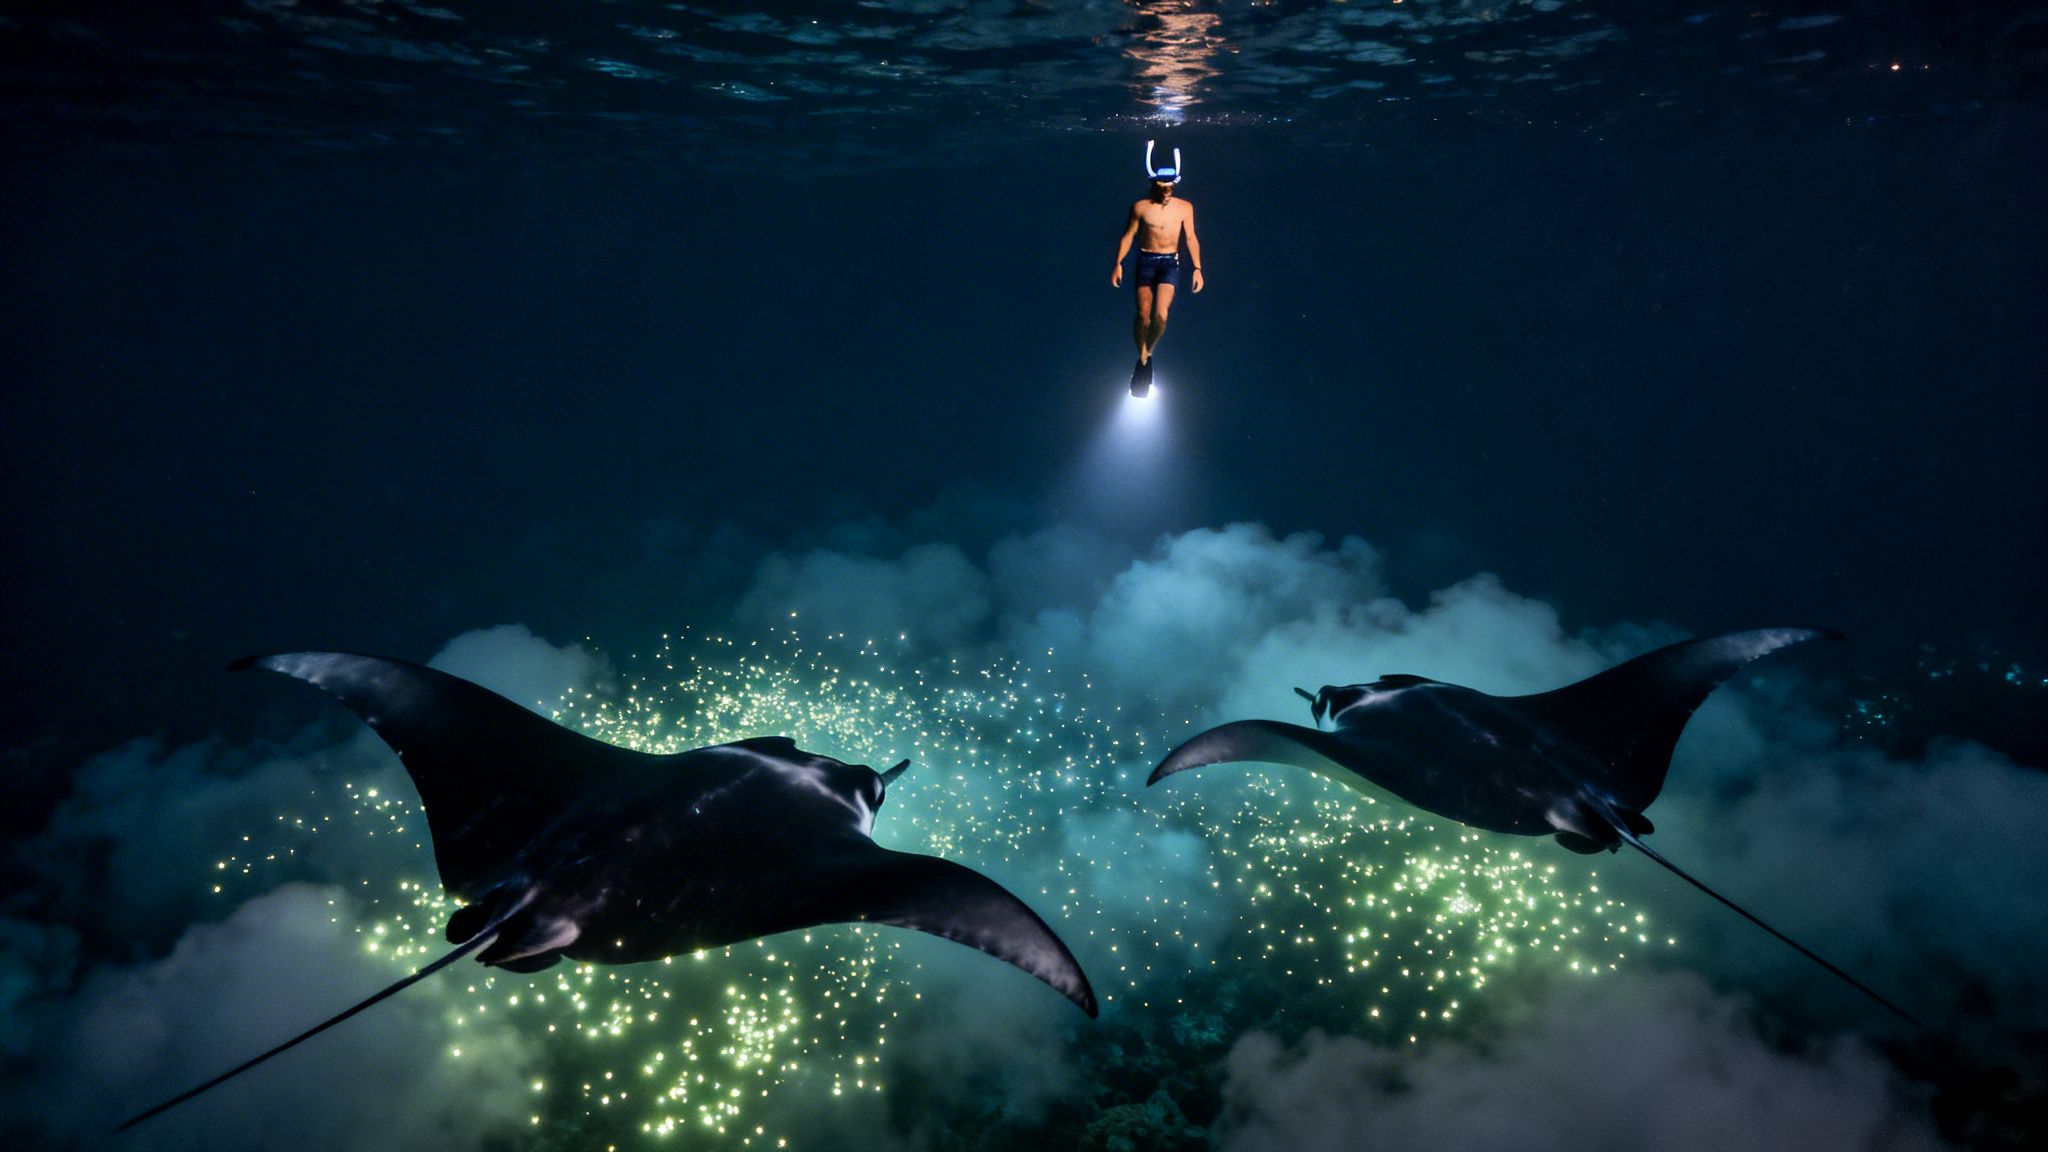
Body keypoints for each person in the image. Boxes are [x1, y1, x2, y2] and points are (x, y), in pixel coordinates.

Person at [1112, 142, 1203, 396]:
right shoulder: (1140, 207)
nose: (1166, 193)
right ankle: (1142, 355)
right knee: (1143, 315)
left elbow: (1191, 238)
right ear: (1153, 186)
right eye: (1162, 189)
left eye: (1170, 189)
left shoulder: (1185, 208)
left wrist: (1197, 268)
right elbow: (1128, 236)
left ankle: (1146, 355)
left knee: (1161, 316)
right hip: (1146, 262)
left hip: (1170, 263)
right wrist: (1117, 263)